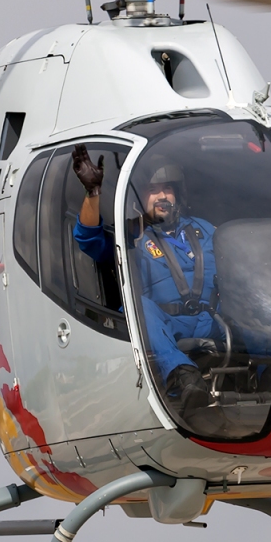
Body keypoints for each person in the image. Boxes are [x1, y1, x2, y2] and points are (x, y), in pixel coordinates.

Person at [70, 144, 223, 411]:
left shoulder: (205, 230)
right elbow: (88, 239)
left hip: (215, 317)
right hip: (167, 322)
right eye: (153, 190)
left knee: (247, 300)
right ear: (140, 196)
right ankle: (183, 376)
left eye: (168, 188)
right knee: (136, 306)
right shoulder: (132, 235)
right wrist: (93, 193)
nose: (162, 195)